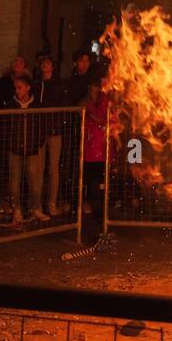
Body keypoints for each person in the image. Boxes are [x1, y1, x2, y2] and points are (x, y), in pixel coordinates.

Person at [3, 73, 47, 224]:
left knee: (35, 180)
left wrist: (38, 143)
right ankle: (17, 209)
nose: (17, 91)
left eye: (20, 87)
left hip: (32, 148)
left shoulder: (37, 106)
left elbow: (42, 126)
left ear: (28, 88)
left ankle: (36, 208)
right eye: (16, 88)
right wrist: (10, 143)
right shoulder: (10, 105)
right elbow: (6, 127)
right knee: (14, 180)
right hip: (15, 148)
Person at [33, 56, 69, 216]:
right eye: (43, 63)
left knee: (53, 169)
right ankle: (37, 205)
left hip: (54, 131)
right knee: (38, 169)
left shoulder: (59, 85)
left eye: (48, 63)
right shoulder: (36, 85)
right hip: (40, 130)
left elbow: (62, 105)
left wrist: (58, 123)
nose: (46, 65)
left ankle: (52, 203)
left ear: (53, 67)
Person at [80, 76, 110, 242]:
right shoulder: (86, 102)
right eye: (94, 86)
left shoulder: (104, 102)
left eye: (98, 86)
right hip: (90, 148)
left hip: (102, 149)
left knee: (100, 182)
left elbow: (103, 119)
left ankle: (100, 213)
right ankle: (89, 210)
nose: (96, 89)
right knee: (90, 179)